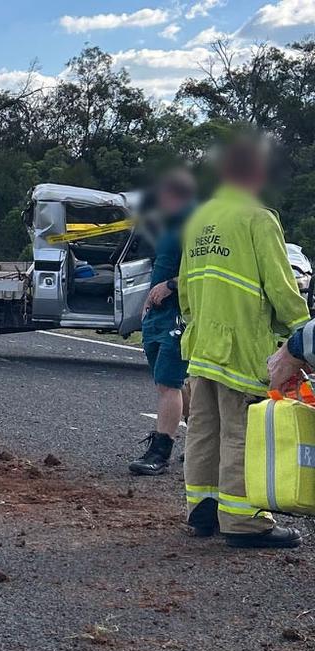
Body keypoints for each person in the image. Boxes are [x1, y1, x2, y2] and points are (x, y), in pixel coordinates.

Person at [179, 136, 310, 549]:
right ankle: (243, 522)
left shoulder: (198, 221)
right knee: (241, 432)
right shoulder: (257, 218)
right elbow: (281, 286)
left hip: (202, 345)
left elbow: (185, 289)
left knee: (203, 429)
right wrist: (304, 334)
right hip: (241, 346)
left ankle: (202, 508)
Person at [130, 169, 197, 476]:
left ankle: (161, 450)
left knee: (168, 383)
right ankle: (202, 440)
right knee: (170, 380)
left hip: (178, 312)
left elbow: (203, 269)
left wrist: (172, 285)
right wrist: (148, 300)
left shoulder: (194, 223)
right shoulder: (171, 224)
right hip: (159, 313)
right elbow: (163, 264)